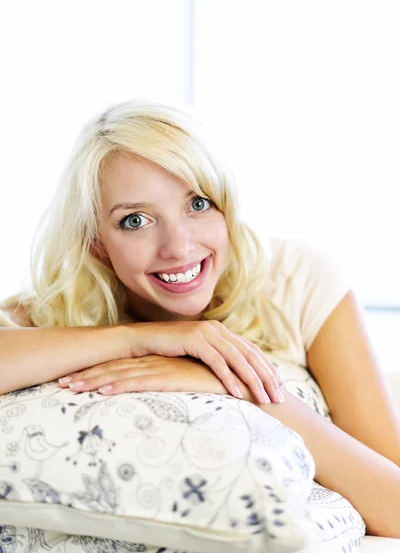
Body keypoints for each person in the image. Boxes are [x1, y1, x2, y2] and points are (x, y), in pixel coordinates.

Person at [1, 99, 400, 537]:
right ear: (96, 242)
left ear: (227, 206)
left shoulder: (299, 280)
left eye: (198, 204)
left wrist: (241, 386)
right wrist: (138, 339)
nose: (178, 246)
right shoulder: (62, 307)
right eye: (135, 220)